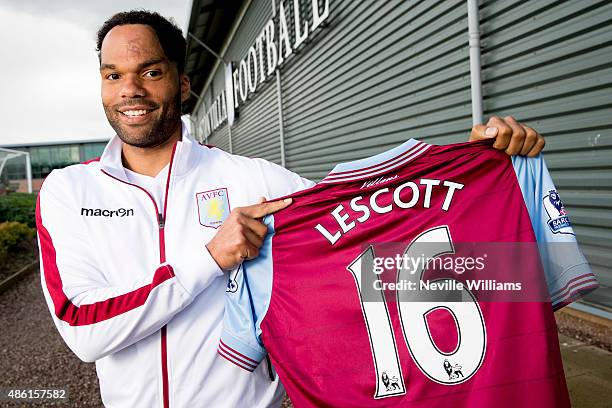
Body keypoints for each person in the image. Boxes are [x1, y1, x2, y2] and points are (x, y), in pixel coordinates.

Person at [35, 10, 547, 408]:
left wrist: (473, 166)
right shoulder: (68, 192)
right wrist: (211, 257)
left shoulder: (252, 179)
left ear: (182, 83)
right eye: (112, 75)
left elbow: (372, 222)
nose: (131, 91)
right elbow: (85, 330)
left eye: (149, 71)